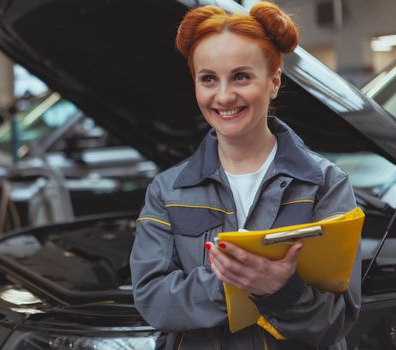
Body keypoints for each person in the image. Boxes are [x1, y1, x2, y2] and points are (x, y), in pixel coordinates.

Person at [130, 2, 360, 350]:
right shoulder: (167, 191)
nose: (224, 96)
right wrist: (238, 281)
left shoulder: (325, 184)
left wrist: (282, 292)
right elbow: (153, 301)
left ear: (274, 82)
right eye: (208, 79)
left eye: (241, 76)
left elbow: (337, 321)